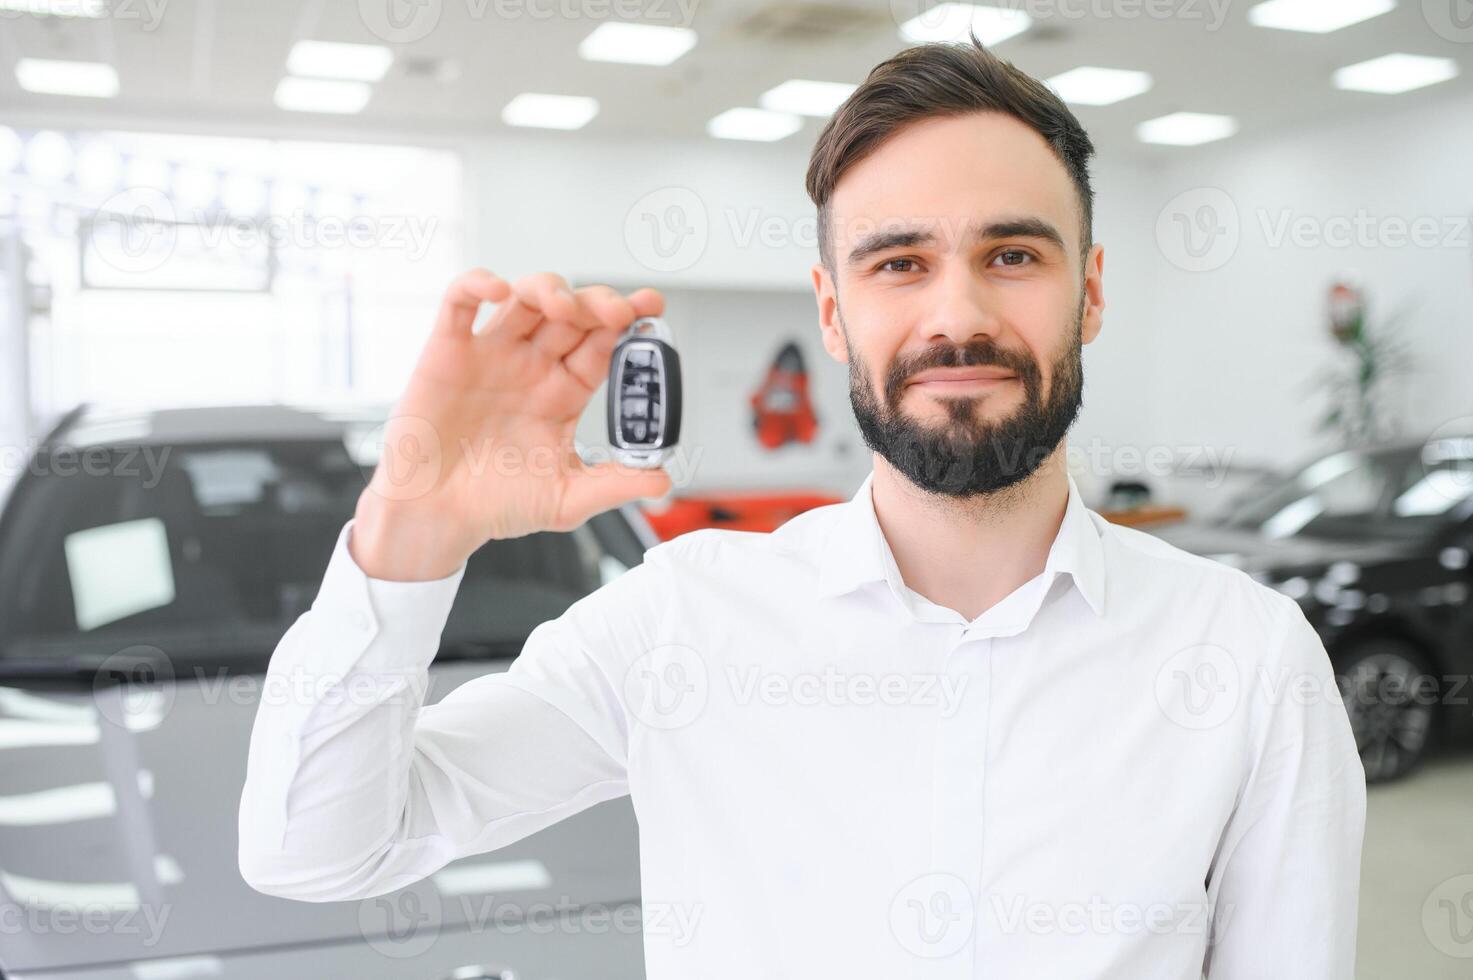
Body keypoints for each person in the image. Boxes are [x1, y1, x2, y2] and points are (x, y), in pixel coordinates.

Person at [238, 37, 1365, 979]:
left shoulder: (1248, 658)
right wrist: (409, 536)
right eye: (898, 264)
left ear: (1094, 288)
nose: (957, 315)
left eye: (1012, 253)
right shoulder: (679, 619)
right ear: (831, 311)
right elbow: (317, 851)